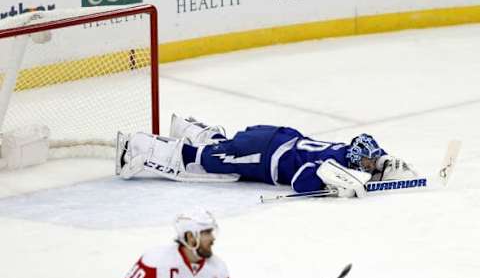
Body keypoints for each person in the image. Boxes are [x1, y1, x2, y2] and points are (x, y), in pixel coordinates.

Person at [115, 114, 418, 198]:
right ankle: (135, 146)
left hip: (276, 138)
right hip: (262, 155)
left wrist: (380, 164)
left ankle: (188, 126)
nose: (369, 164)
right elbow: (301, 181)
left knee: (221, 147)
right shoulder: (338, 161)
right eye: (368, 161)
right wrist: (335, 185)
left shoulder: (346, 152)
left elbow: (364, 157)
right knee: (201, 160)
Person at [116, 209, 229, 278]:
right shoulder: (156, 264)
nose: (213, 238)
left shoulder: (219, 272)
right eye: (207, 232)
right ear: (190, 237)